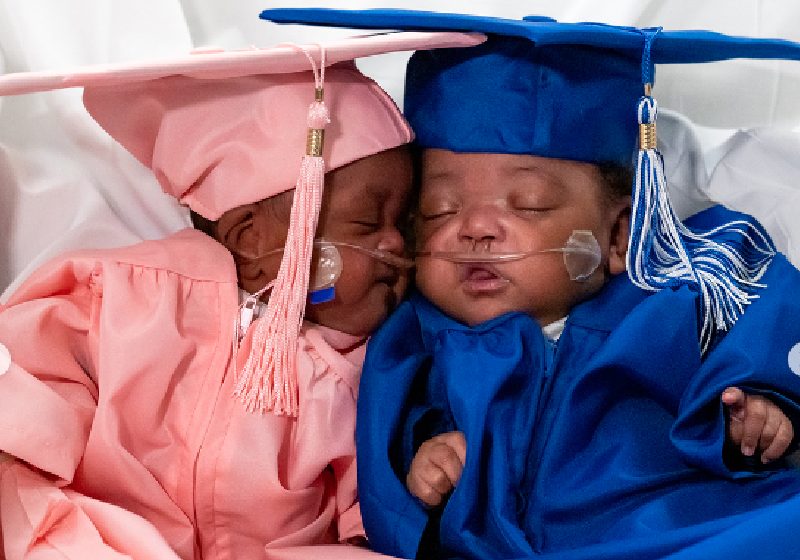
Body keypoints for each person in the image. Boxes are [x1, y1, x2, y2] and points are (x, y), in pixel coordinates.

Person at [261, 9, 800, 559]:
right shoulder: (415, 336)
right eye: (440, 209)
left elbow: (767, 336)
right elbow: (387, 442)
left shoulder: (678, 296)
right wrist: (424, 466)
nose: (473, 229)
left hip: (671, 528)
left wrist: (763, 410)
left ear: (620, 235)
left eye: (530, 204)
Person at [0, 31, 483, 559]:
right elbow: (28, 421)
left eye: (405, 225)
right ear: (250, 237)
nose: (394, 245)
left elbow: (364, 522)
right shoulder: (122, 299)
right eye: (367, 222)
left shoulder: (373, 373)